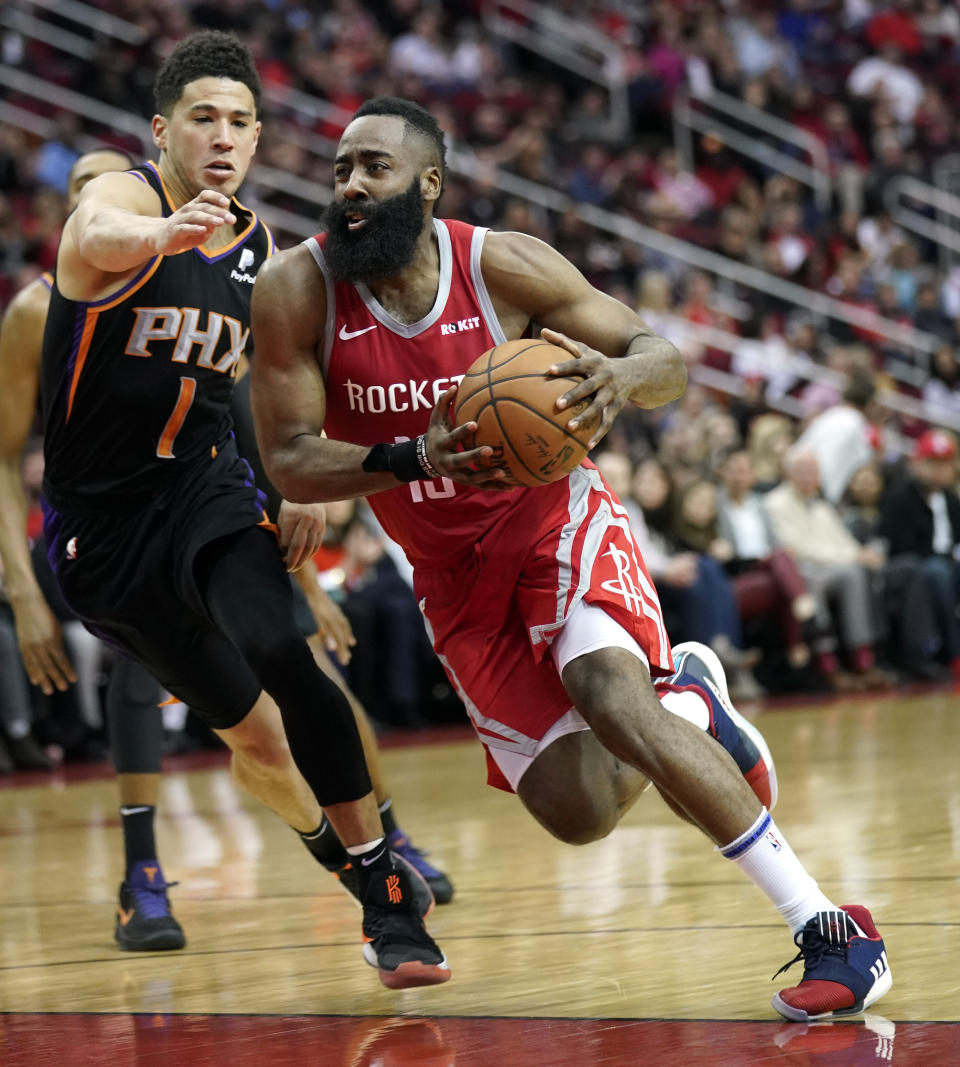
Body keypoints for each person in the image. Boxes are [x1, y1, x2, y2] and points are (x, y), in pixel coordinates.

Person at [250, 96, 892, 1021]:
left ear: (428, 184)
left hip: (557, 522)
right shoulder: (296, 291)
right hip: (451, 578)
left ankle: (832, 930)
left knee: (610, 696)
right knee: (578, 811)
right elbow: (289, 458)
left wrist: (621, 379)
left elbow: (657, 351)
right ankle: (694, 701)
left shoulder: (498, 263)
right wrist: (413, 456)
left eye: (374, 169)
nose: (350, 184)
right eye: (342, 168)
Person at [37, 35, 448, 989]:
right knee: (256, 743)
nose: (221, 137)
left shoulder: (263, 253)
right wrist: (158, 238)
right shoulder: (131, 202)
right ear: (161, 130)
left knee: (283, 652)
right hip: (101, 535)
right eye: (201, 118)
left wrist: (302, 488)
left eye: (237, 122)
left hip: (205, 488)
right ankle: (342, 858)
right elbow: (98, 228)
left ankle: (386, 893)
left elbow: (263, 394)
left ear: (258, 137)